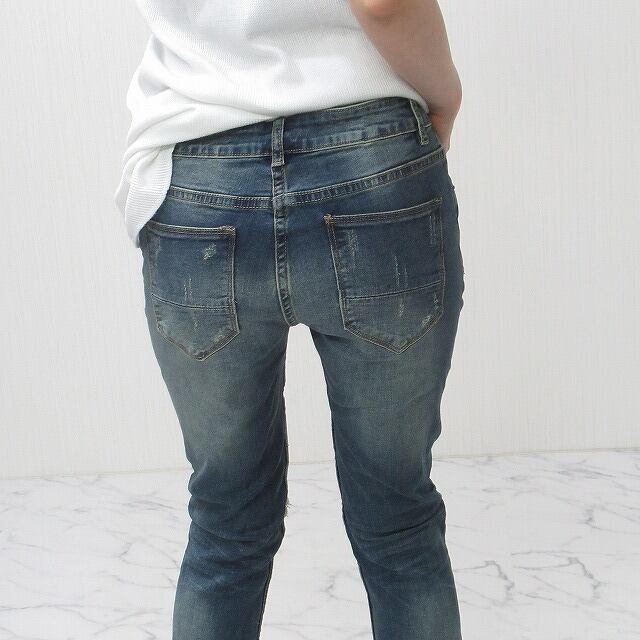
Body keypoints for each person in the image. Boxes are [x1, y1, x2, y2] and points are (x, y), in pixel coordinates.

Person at [115, 1, 465, 638]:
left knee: (224, 524)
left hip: (195, 168)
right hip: (372, 164)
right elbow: (385, 5)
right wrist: (446, 96)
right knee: (399, 523)